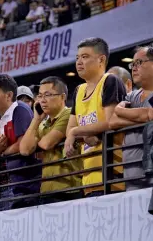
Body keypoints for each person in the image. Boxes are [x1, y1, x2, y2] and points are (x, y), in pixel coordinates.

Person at [64, 37, 127, 197]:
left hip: (112, 175)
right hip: (88, 178)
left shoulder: (110, 81)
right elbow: (70, 128)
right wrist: (83, 133)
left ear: (101, 59)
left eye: (85, 57)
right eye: (77, 58)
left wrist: (77, 132)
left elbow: (111, 121)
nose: (79, 62)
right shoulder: (79, 90)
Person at [20, 77, 82, 204]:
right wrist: (36, 119)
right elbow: (25, 150)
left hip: (69, 188)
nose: (42, 100)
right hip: (47, 189)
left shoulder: (69, 114)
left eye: (48, 95)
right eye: (40, 96)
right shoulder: (42, 123)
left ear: (62, 97)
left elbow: (46, 143)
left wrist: (37, 142)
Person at [0, 74, 40, 210]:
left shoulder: (20, 109)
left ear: (9, 95)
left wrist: (1, 151)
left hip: (23, 184)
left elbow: (22, 144)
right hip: (1, 185)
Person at [109, 45, 153, 191]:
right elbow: (113, 121)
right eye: (132, 64)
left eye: (139, 63)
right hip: (131, 177)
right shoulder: (131, 96)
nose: (133, 68)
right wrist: (144, 117)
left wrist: (122, 111)